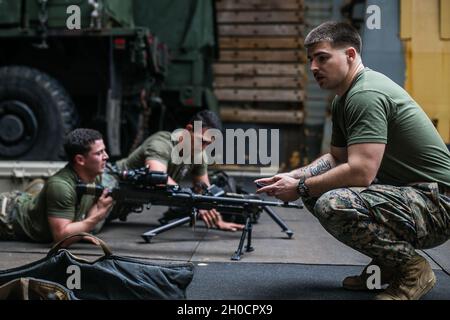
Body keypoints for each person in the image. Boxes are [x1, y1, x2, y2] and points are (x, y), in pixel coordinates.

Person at [255, 21, 450, 300]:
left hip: (439, 205)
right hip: (413, 196)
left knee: (331, 202)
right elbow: (338, 158)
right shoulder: (343, 99)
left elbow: (361, 172)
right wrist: (295, 177)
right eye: (310, 59)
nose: (313, 67)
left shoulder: (365, 94)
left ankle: (412, 269)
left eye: (322, 58)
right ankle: (388, 264)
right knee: (314, 190)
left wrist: (300, 188)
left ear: (349, 55)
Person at [113, 110, 244, 232]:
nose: (204, 148)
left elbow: (203, 190)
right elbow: (158, 179)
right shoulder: (161, 144)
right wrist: (194, 201)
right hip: (110, 184)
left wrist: (216, 218)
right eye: (202, 141)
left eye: (208, 144)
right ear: (188, 130)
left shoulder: (198, 154)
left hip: (123, 203)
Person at [0, 129, 114, 246]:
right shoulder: (61, 186)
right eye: (99, 153)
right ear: (80, 160)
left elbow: (96, 203)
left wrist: (82, 231)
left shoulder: (95, 175)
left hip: (26, 203)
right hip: (7, 218)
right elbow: (61, 238)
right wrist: (97, 217)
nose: (106, 156)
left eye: (104, 151)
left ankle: (37, 190)